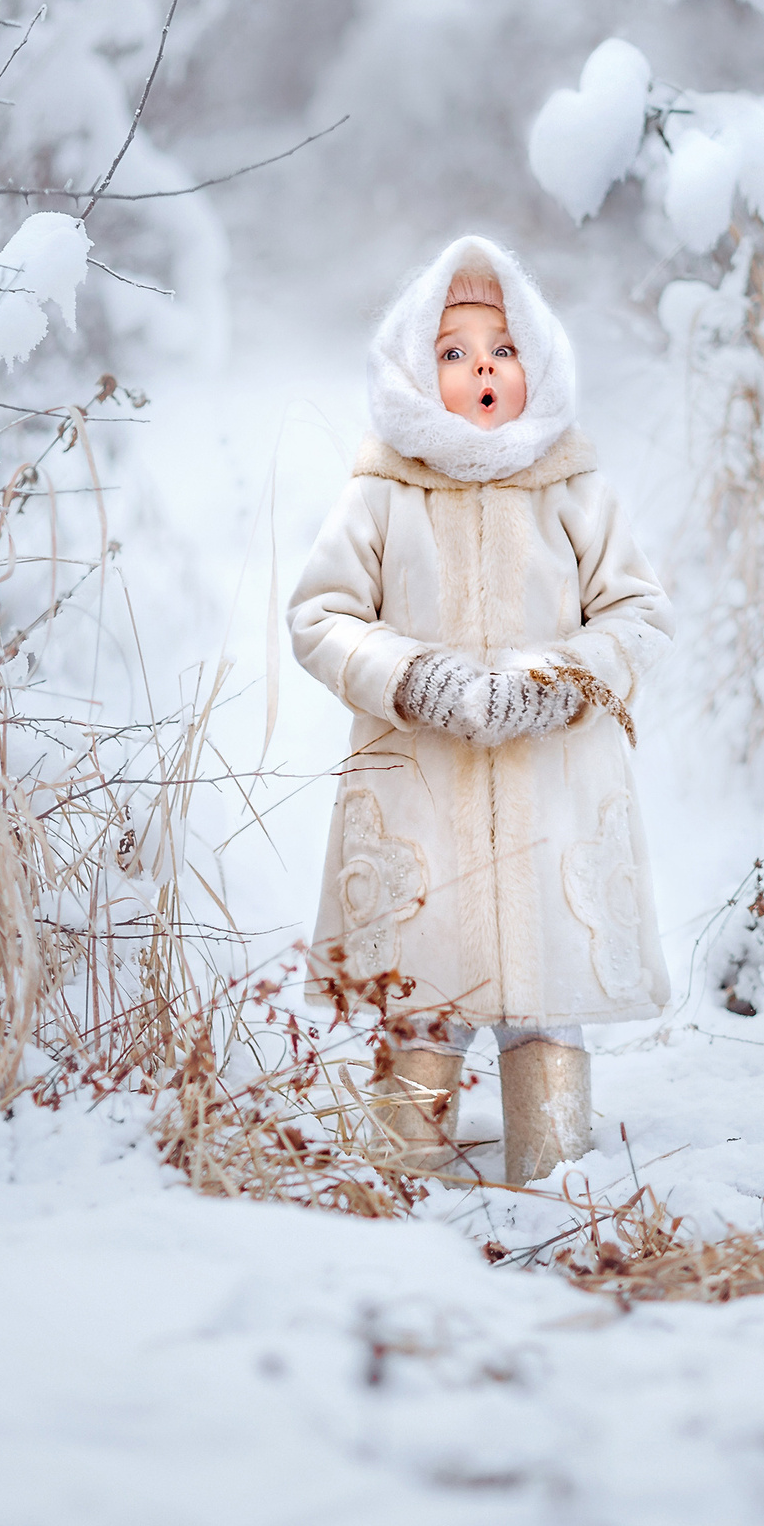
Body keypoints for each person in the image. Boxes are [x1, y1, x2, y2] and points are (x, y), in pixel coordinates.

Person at [287, 236, 673, 1183]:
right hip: (424, 783)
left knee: (545, 997)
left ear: (534, 363)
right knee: (425, 988)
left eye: (501, 348)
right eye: (453, 352)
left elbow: (640, 613)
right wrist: (415, 678)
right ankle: (399, 1169)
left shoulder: (574, 487)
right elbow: (320, 616)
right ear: (419, 371)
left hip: (553, 788)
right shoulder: (382, 491)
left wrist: (560, 679)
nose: (481, 368)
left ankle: (556, 1172)